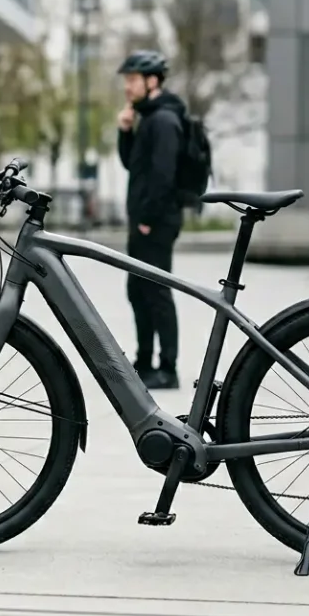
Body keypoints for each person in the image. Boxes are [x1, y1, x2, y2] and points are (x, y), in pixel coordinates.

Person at [116, 50, 187, 390]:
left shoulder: (164, 120)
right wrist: (126, 131)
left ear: (152, 80)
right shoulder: (149, 117)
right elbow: (135, 165)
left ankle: (167, 368)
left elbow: (163, 175)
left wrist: (146, 218)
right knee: (137, 290)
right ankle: (144, 361)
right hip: (145, 221)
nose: (127, 87)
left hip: (155, 223)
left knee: (157, 292)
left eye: (132, 80)